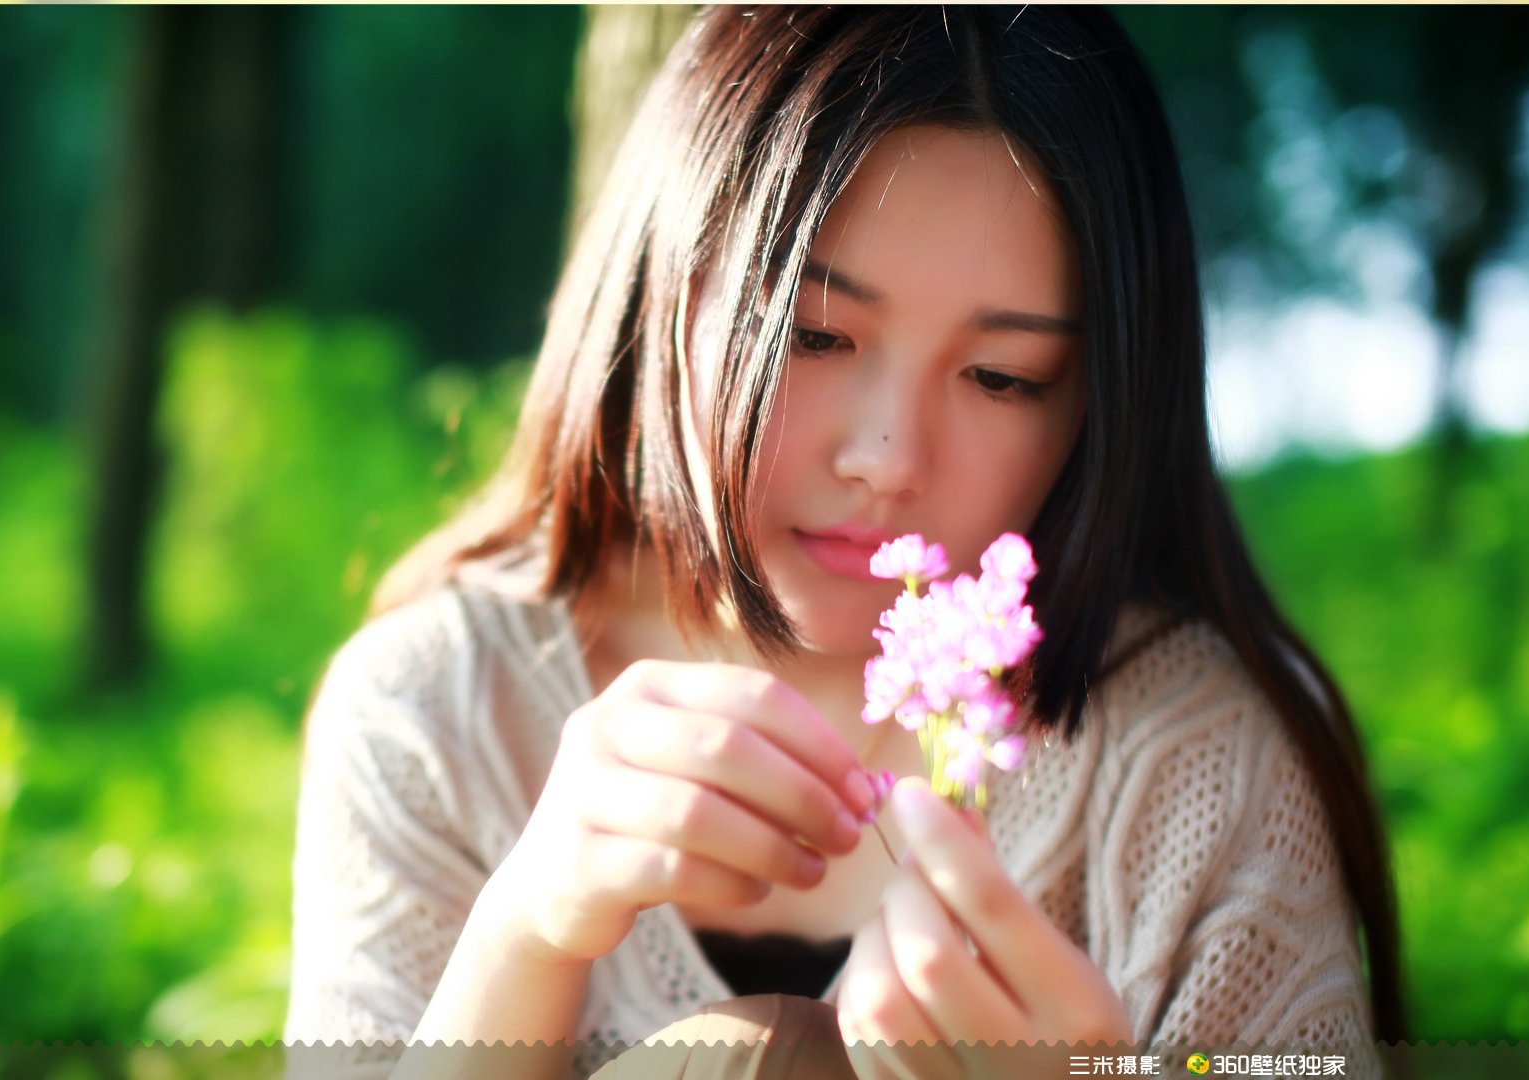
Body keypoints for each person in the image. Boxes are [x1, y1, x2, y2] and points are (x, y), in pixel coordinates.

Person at [283, 7, 1405, 1079]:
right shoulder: (441, 708)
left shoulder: (1200, 760)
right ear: (661, 293)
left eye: (1002, 377)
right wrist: (525, 937)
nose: (887, 456)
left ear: (1100, 400)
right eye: (814, 335)